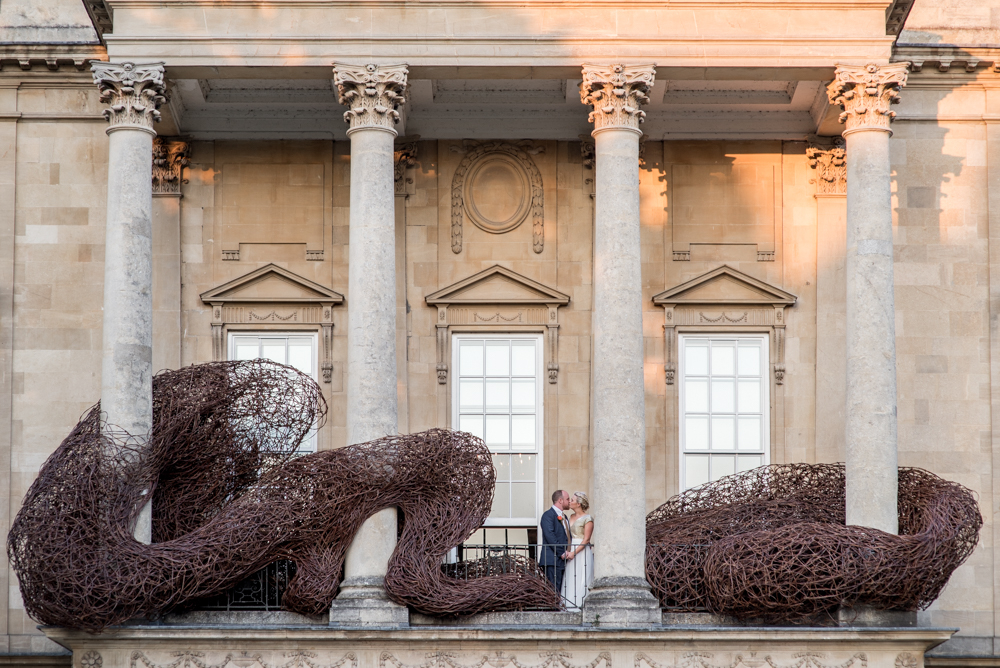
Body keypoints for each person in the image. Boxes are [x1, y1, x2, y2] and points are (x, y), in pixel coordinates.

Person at [560, 491, 594, 609]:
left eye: (572, 500)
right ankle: (568, 605)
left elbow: (586, 539)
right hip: (570, 549)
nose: (570, 502)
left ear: (579, 504)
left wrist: (574, 553)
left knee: (581, 577)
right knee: (570, 577)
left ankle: (580, 605)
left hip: (581, 550)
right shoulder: (570, 517)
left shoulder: (588, 519)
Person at [538, 489, 571, 593]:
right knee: (552, 591)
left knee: (560, 590)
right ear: (560, 501)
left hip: (562, 560)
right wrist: (561, 552)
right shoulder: (548, 515)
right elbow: (550, 536)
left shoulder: (564, 517)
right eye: (567, 499)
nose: (569, 501)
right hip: (552, 560)